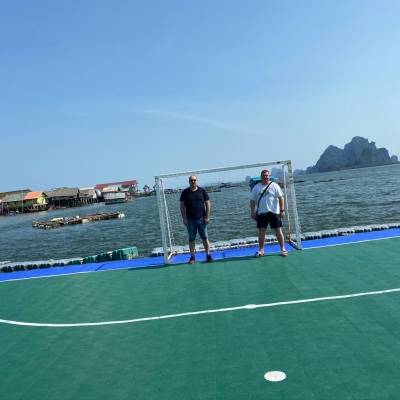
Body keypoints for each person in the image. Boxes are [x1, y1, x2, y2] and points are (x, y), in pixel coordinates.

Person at [250, 169, 288, 257]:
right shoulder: (256, 187)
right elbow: (252, 201)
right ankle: (261, 250)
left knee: (278, 230)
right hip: (261, 213)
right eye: (263, 176)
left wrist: (282, 210)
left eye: (267, 175)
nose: (265, 177)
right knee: (261, 232)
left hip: (274, 212)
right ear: (261, 177)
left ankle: (283, 249)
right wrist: (252, 212)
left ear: (269, 176)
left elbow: (281, 198)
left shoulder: (275, 186)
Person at [180, 175, 213, 264]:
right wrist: (184, 218)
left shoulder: (202, 191)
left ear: (196, 181)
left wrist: (207, 216)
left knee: (205, 237)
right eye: (191, 180)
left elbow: (208, 203)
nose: (193, 181)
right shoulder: (185, 192)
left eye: (194, 180)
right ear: (189, 181)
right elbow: (182, 206)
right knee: (191, 239)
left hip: (202, 219)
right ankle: (192, 257)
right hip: (190, 220)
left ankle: (208, 255)